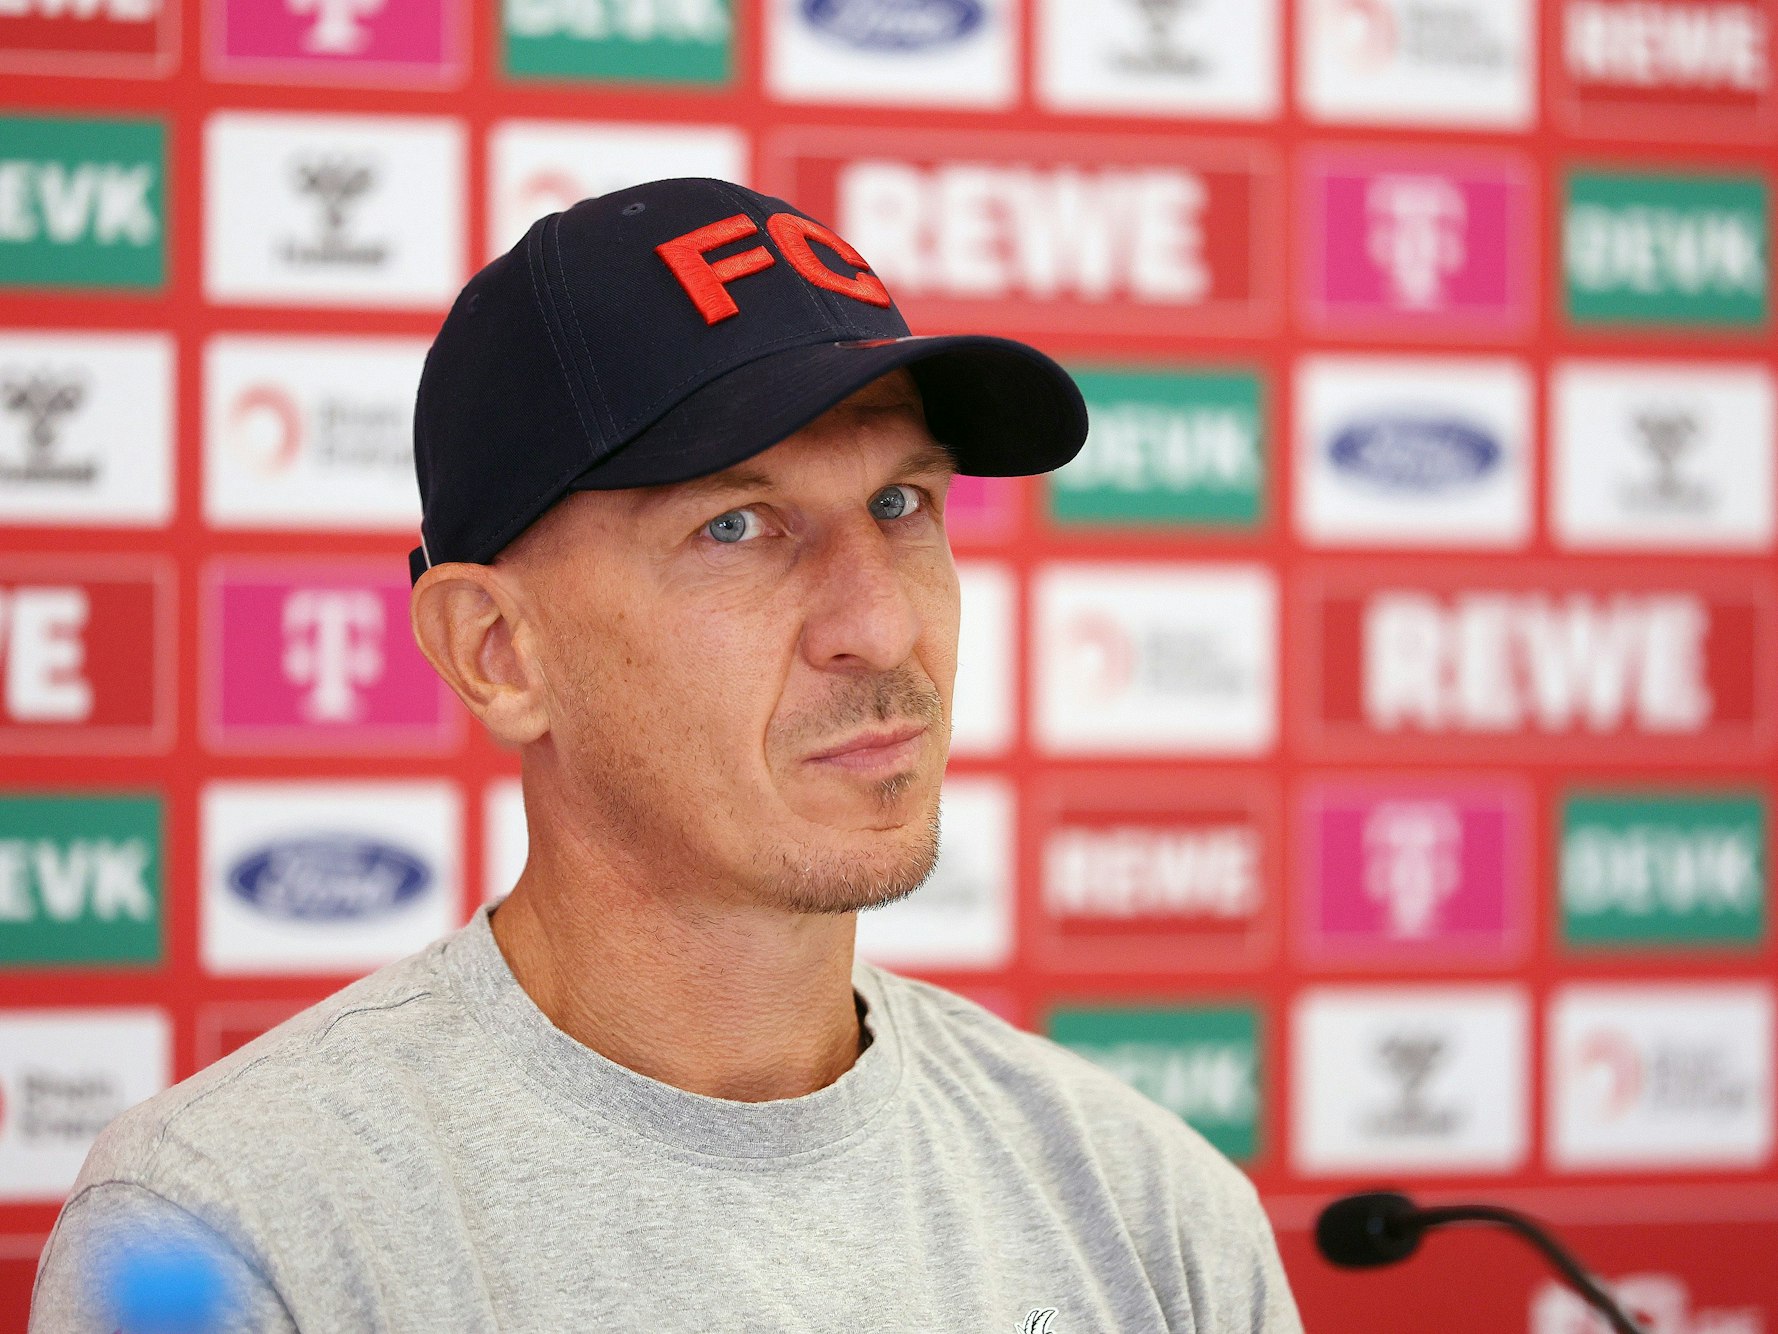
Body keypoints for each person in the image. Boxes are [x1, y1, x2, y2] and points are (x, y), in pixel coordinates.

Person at [30, 178, 1302, 1332]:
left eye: (900, 505)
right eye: (737, 526)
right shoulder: (235, 1230)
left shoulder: (1154, 1210)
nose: (880, 623)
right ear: (496, 650)